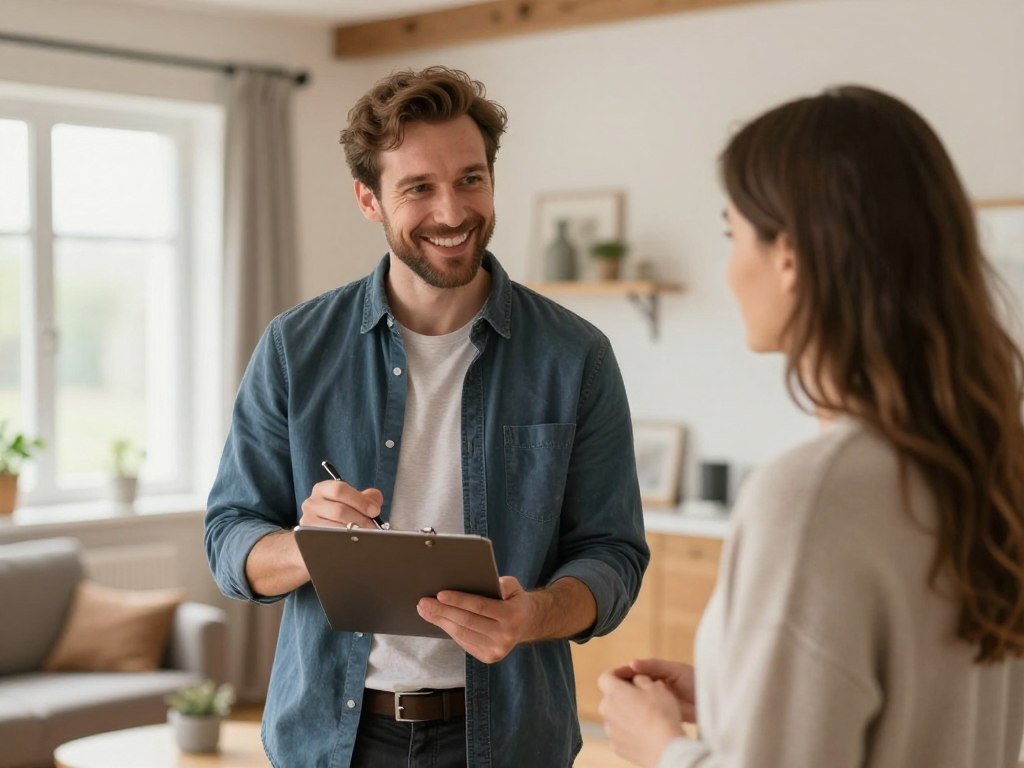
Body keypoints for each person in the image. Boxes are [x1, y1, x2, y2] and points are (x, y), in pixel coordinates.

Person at [204, 65, 648, 768]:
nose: (452, 211)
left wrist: (533, 613)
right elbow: (229, 536)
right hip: (332, 740)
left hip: (512, 741)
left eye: (471, 179)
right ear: (369, 200)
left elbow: (614, 553)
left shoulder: (576, 356)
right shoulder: (294, 348)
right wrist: (308, 546)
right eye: (418, 188)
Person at [598, 85, 1024, 767]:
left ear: (789, 255)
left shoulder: (815, 497)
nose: (729, 268)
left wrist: (660, 747)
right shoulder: (989, 464)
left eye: (732, 235)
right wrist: (738, 693)